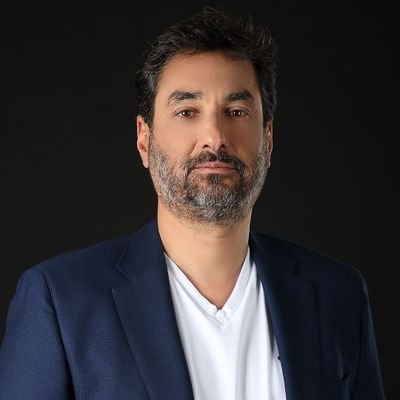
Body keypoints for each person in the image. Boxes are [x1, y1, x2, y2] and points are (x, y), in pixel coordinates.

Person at [0, 7, 385, 400]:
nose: (214, 137)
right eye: (187, 112)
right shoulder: (61, 303)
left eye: (236, 112)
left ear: (268, 139)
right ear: (144, 139)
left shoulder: (338, 294)